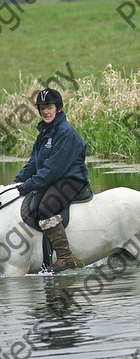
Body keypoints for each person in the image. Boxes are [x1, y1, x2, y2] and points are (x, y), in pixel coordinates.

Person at [14, 88, 89, 273]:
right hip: (56, 179)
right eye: (42, 108)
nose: (45, 111)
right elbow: (33, 163)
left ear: (59, 108)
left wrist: (28, 186)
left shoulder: (65, 132)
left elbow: (52, 170)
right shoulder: (44, 132)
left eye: (49, 107)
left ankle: (65, 258)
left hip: (71, 179)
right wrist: (16, 183)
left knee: (46, 207)